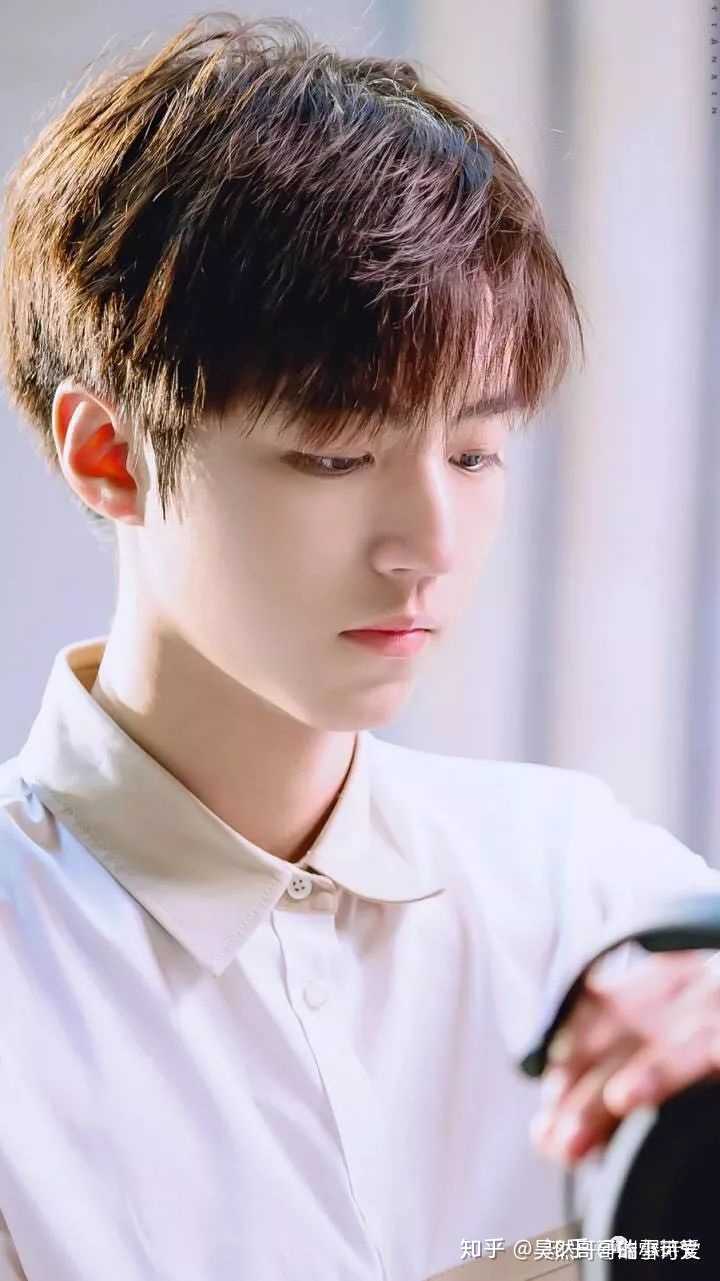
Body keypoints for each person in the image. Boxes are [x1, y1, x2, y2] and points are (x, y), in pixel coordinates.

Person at [0, 13, 719, 1281]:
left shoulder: (584, 890)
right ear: (108, 455)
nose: (428, 545)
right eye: (336, 455)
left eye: (475, 453)